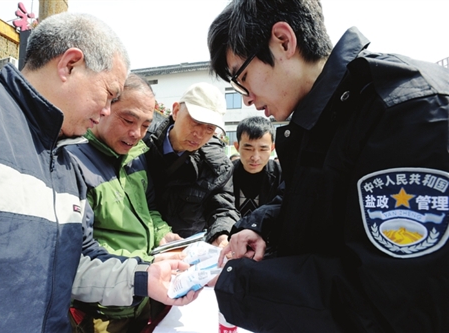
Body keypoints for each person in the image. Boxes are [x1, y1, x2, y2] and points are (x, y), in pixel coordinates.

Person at [207, 0, 449, 332]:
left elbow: (394, 305)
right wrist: (261, 227)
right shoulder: (321, 117)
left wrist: (242, 283)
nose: (246, 97)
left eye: (243, 77)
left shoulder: (403, 114)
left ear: (283, 41)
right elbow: (313, 200)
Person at [0, 12, 196, 333]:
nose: (106, 110)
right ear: (70, 65)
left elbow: (72, 262)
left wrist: (145, 277)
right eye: (108, 94)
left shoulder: (62, 159)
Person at [66, 73, 185, 333]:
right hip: (102, 309)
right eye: (128, 120)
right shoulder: (74, 164)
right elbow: (80, 251)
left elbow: (150, 209)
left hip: (143, 296)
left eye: (145, 125)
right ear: (104, 108)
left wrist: (163, 235)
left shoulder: (136, 158)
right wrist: (146, 269)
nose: (136, 134)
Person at [143, 82, 240, 247]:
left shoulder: (217, 164)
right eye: (195, 122)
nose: (199, 134)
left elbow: (222, 208)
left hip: (183, 248)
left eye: (210, 128)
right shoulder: (142, 141)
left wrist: (222, 234)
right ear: (175, 111)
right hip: (139, 242)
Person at [232, 116, 282, 217]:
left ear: (272, 148)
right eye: (248, 149)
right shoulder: (226, 174)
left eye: (263, 149)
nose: (255, 157)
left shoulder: (282, 175)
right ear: (237, 147)